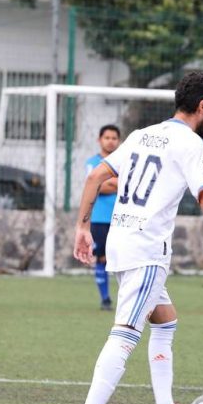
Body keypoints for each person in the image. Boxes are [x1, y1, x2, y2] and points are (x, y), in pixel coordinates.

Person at [69, 71, 203, 404]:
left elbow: (94, 177)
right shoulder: (190, 144)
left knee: (165, 321)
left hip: (122, 243)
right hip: (146, 251)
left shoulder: (141, 135)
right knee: (125, 334)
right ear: (202, 107)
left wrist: (82, 227)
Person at [85, 124, 121, 310]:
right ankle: (105, 298)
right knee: (101, 258)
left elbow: (107, 183)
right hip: (99, 219)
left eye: (114, 138)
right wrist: (116, 182)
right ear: (100, 140)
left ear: (119, 141)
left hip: (120, 219)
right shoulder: (92, 162)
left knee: (122, 260)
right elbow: (97, 185)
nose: (110, 141)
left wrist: (106, 182)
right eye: (107, 138)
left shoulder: (124, 161)